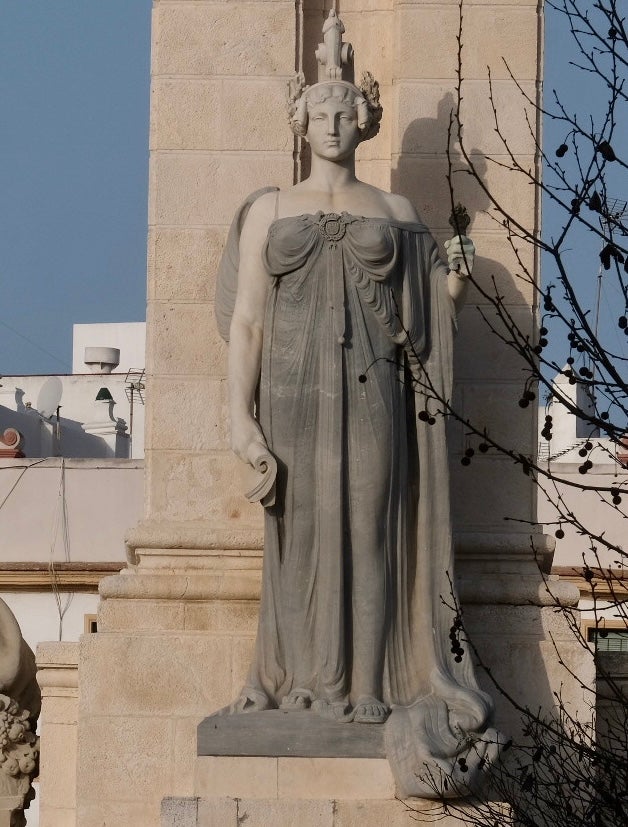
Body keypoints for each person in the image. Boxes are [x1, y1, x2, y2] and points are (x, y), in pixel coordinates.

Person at [216, 10, 499, 795]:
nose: (334, 119)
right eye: (321, 109)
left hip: (374, 391)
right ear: (300, 121)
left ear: (364, 121)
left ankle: (372, 686)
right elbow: (245, 322)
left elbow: (427, 321)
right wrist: (239, 420)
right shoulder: (269, 209)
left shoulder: (398, 215)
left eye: (346, 109)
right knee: (301, 539)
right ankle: (308, 685)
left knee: (376, 527)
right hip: (295, 399)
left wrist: (454, 281)